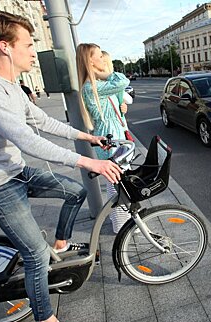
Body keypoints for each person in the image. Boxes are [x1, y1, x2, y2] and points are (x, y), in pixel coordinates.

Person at [0, 9, 122, 322]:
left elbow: (44, 123)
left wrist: (87, 138)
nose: (34, 51)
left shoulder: (10, 87)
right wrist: (89, 162)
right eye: (28, 44)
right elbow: (28, 140)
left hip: (16, 172)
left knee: (74, 192)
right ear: (5, 47)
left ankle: (60, 245)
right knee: (34, 255)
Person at [76, 44, 131, 235]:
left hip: (114, 136)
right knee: (116, 185)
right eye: (99, 56)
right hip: (110, 139)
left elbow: (119, 95)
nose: (103, 59)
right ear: (90, 61)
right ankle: (120, 226)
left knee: (119, 182)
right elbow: (122, 81)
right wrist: (105, 72)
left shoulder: (94, 86)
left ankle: (125, 222)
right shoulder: (91, 87)